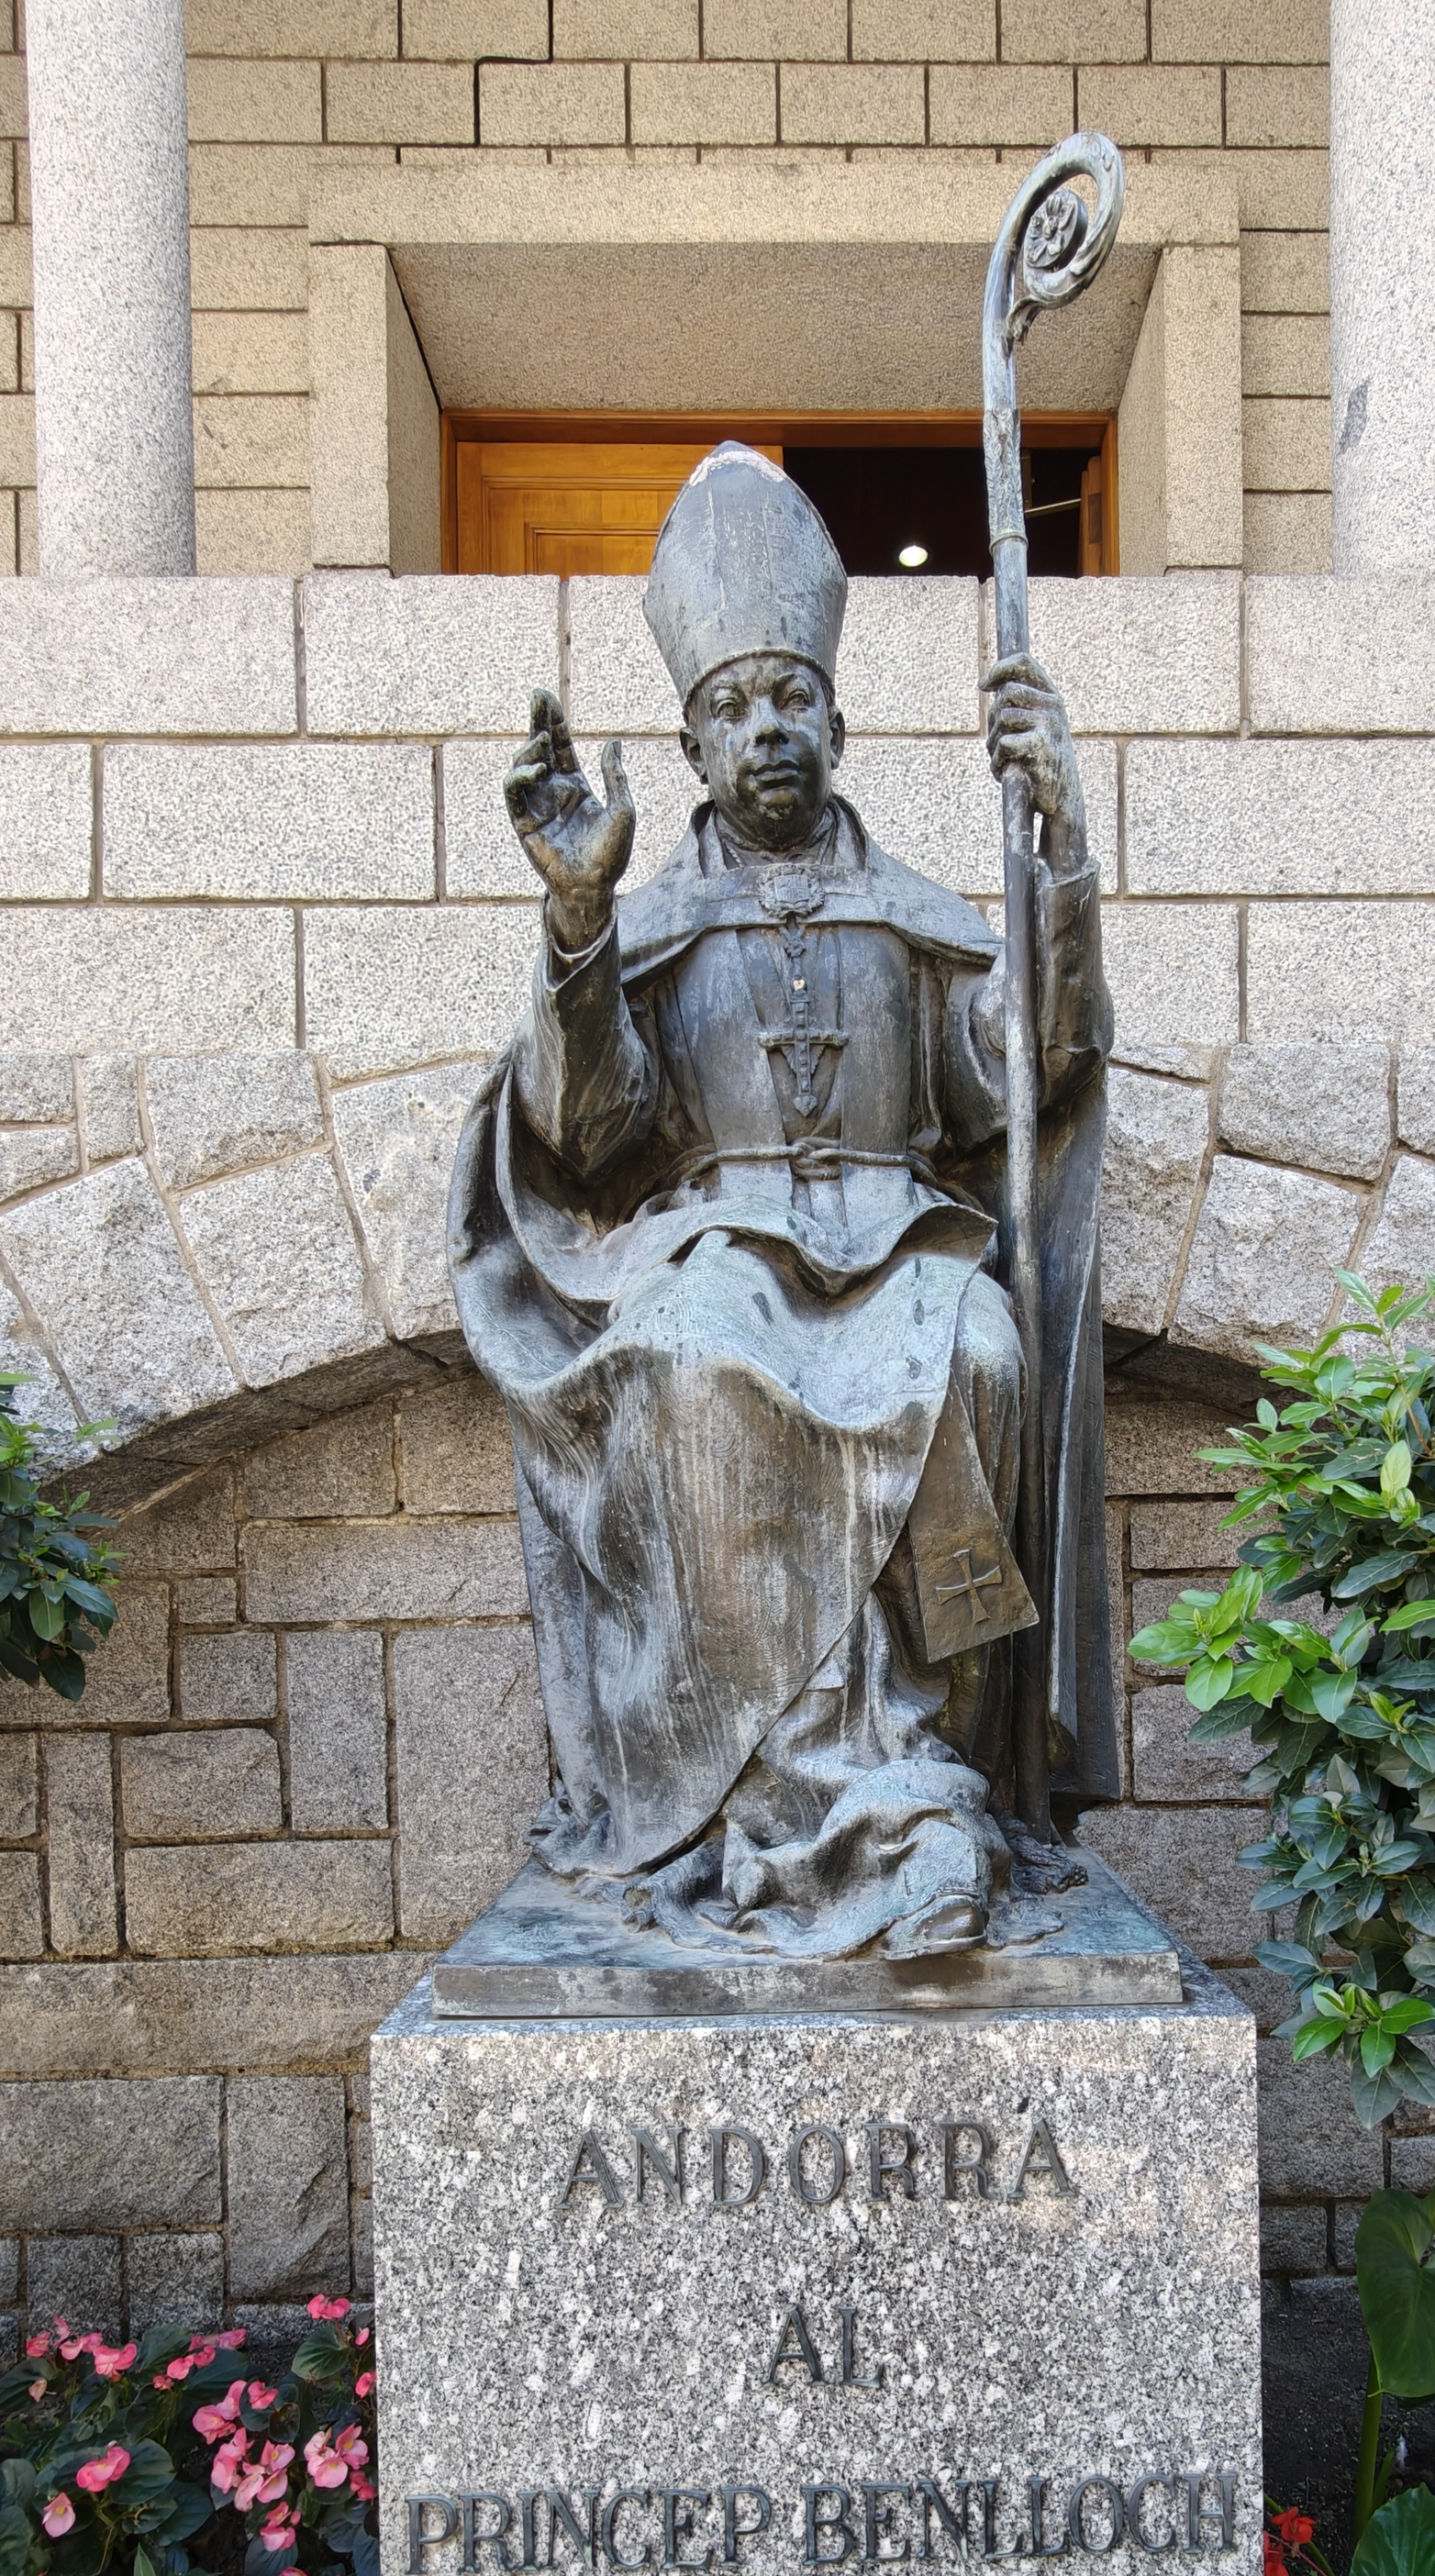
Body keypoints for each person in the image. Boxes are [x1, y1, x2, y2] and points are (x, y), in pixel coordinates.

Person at [450, 443, 1115, 1960]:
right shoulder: (656, 921)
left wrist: (1060, 846)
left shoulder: (913, 915)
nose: (768, 730)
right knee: (690, 1366)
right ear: (688, 746)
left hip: (905, 1249)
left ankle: (933, 1777)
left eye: (791, 701)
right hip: (717, 1249)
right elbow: (588, 1131)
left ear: (837, 714)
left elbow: (1017, 1076)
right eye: (733, 708)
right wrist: (577, 916)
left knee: (985, 1355)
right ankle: (779, 1806)